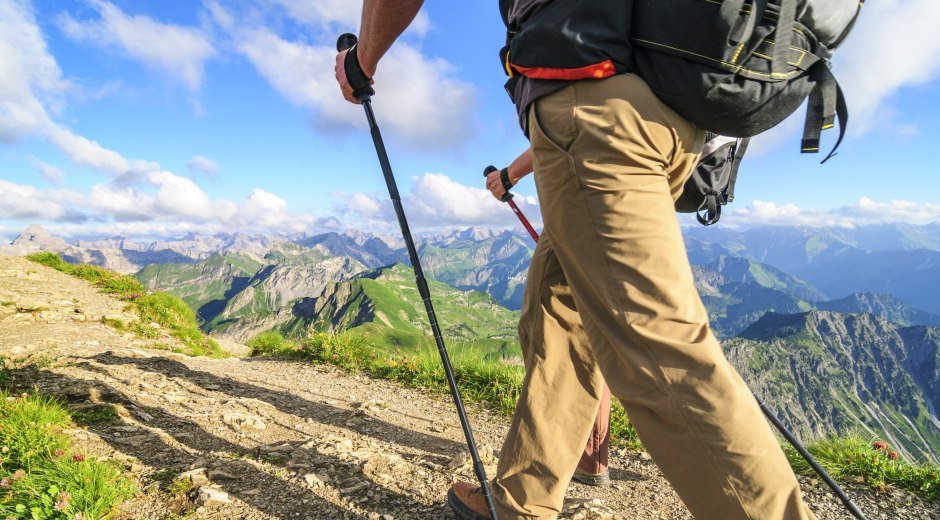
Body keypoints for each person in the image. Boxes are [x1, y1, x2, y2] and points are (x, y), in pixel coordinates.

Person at [335, 2, 817, 519]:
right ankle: (525, 496)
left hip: (597, 114)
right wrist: (520, 171)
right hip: (669, 125)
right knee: (558, 312)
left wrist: (364, 57)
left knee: (656, 346)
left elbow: (592, 100)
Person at [486, 149, 612, 488]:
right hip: (636, 206)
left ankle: (527, 487)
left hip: (583, 205)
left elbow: (560, 128)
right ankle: (590, 456)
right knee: (592, 335)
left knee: (549, 333)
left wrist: (510, 174)